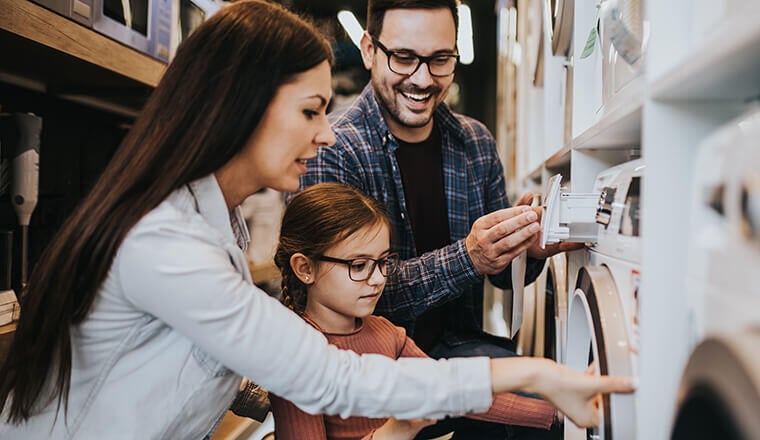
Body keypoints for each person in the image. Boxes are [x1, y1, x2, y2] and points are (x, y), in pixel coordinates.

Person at [0, 1, 632, 439]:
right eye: (310, 111)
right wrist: (539, 373)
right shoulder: (167, 242)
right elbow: (332, 375)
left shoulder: (218, 221)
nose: (327, 134)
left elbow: (216, 357)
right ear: (242, 109)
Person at [297, 1, 582, 437]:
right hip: (368, 367)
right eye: (405, 58)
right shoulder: (334, 148)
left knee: (545, 409)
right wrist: (469, 257)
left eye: (440, 59)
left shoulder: (475, 143)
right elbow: (345, 290)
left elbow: (501, 280)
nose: (423, 78)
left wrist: (527, 251)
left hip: (459, 348)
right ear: (370, 50)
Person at [271, 183, 576, 439]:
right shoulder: (294, 357)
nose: (377, 279)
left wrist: (559, 413)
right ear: (304, 268)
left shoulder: (386, 333)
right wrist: (394, 431)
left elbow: (461, 393)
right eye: (359, 266)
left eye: (383, 262)